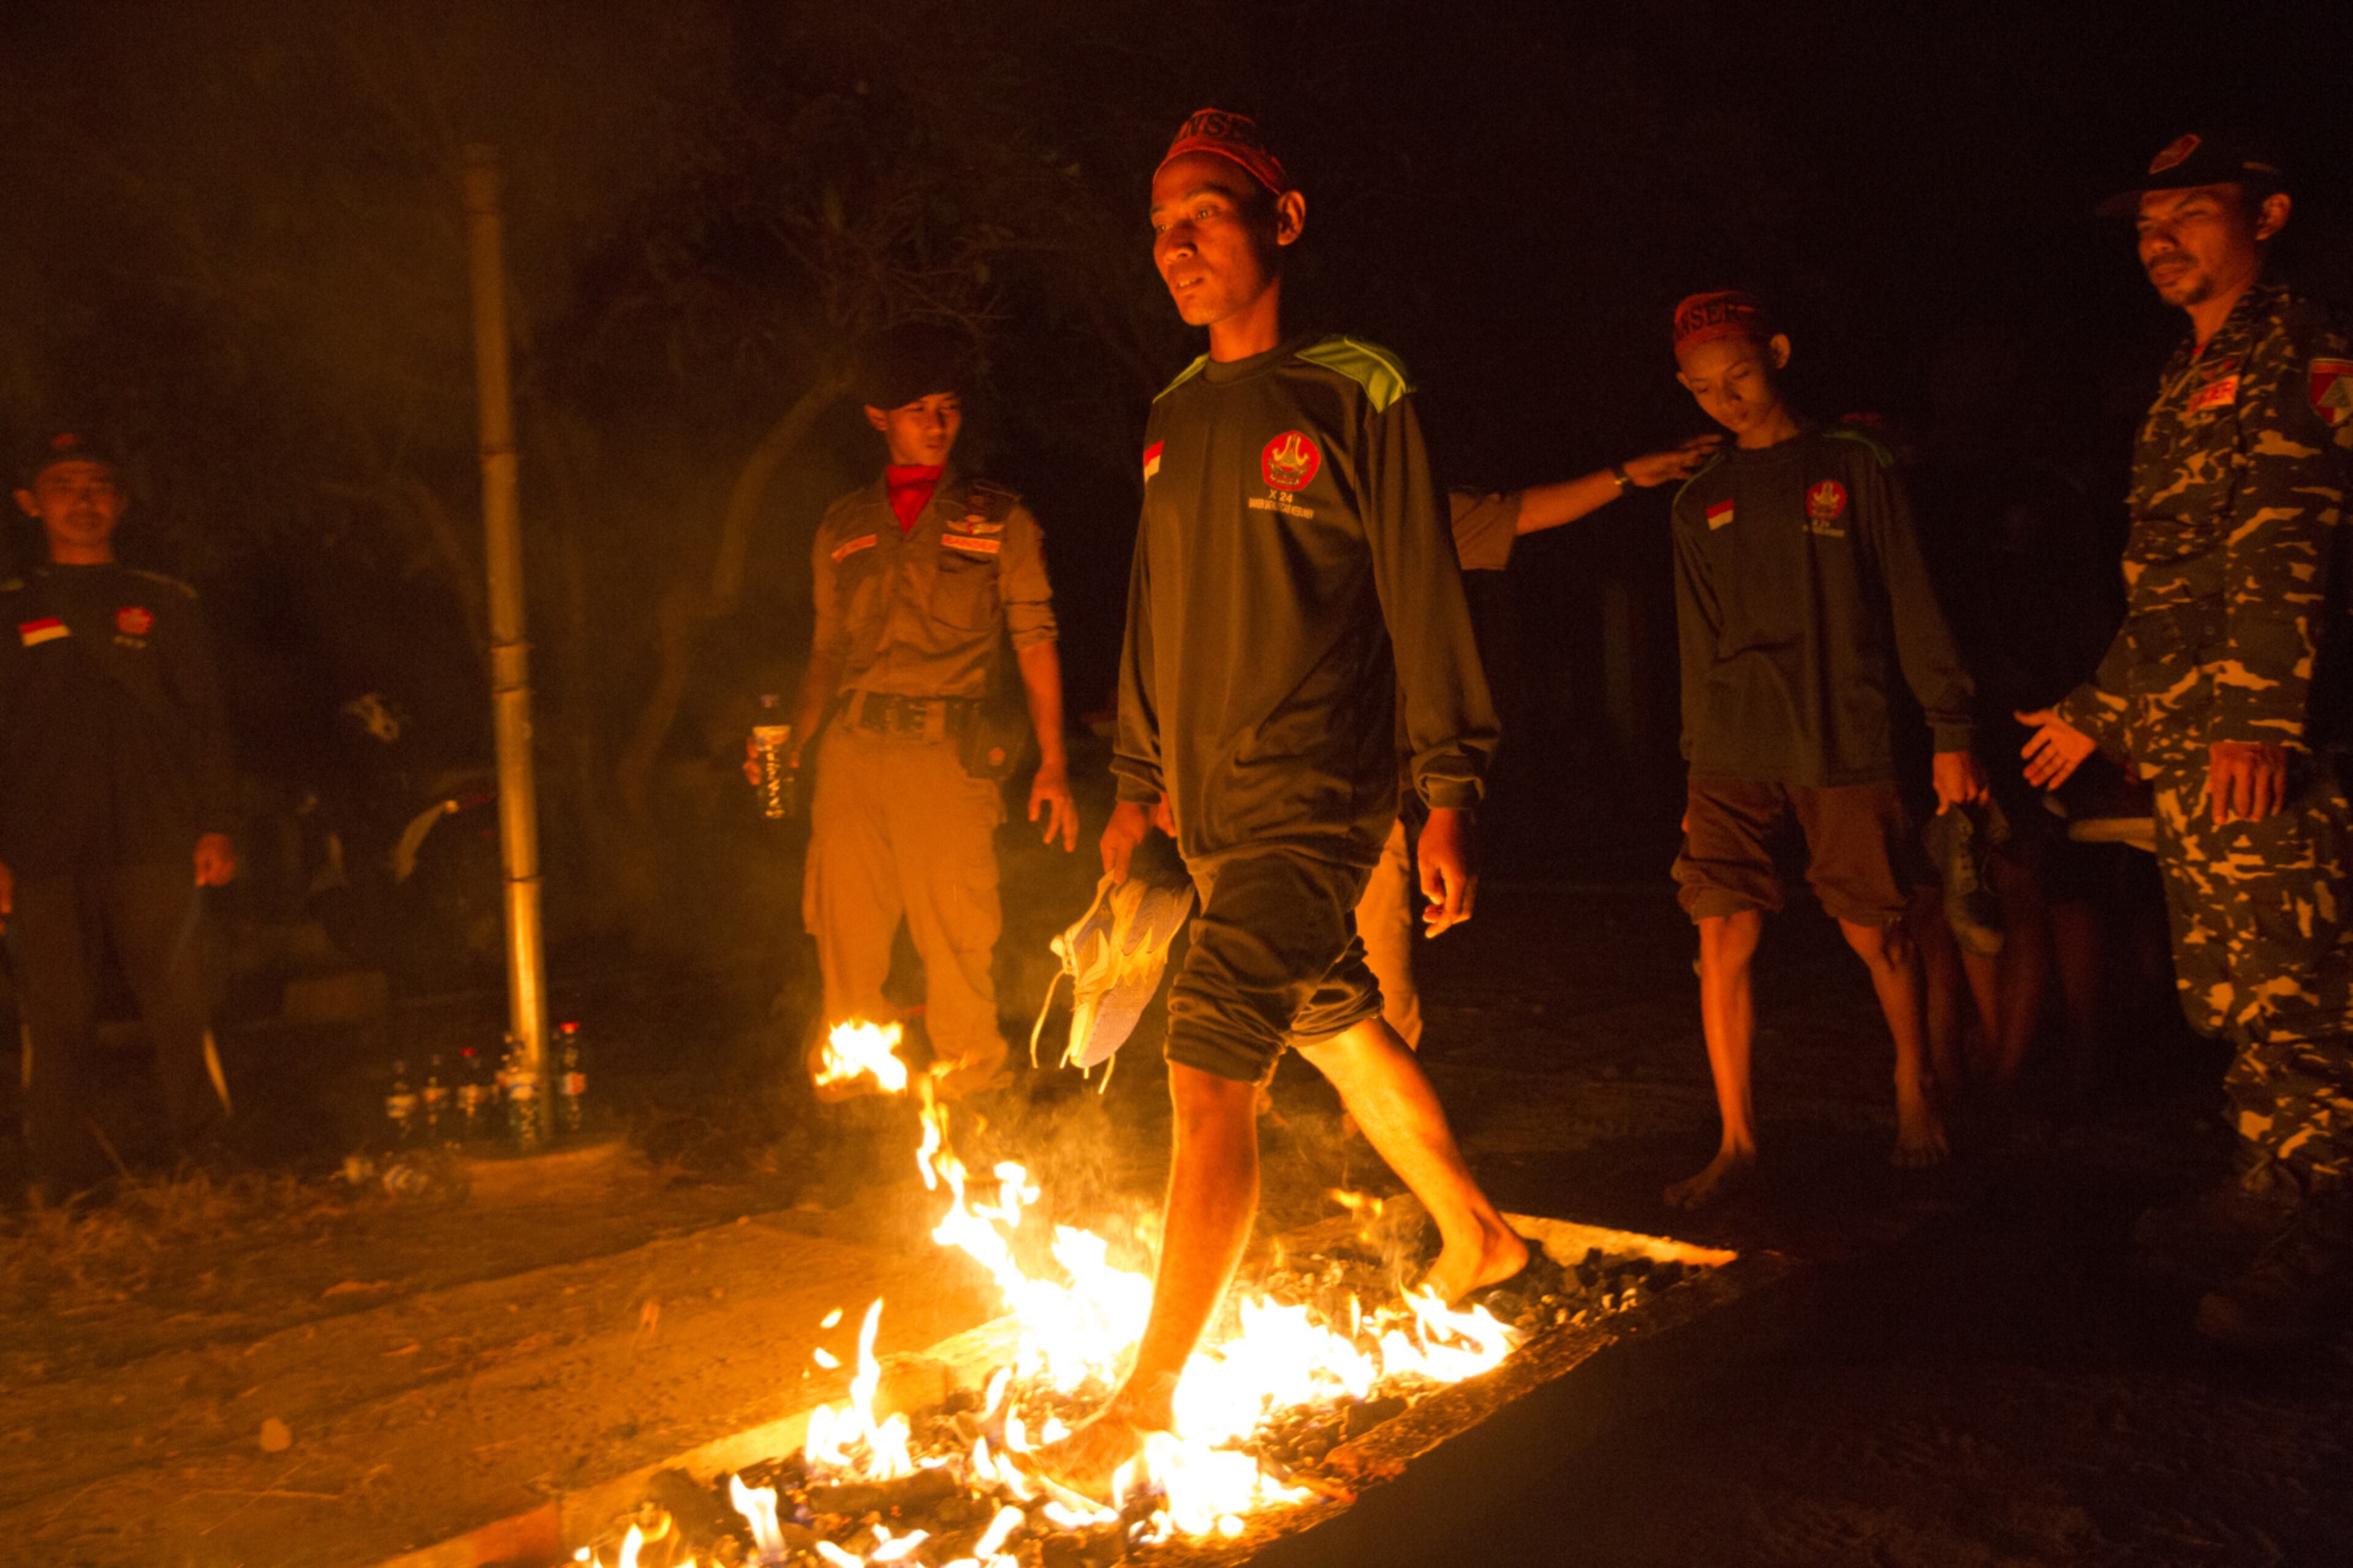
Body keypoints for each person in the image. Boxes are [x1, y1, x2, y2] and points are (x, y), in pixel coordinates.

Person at [1039, 109, 1525, 1489]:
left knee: (1209, 1072)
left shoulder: (1355, 386)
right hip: (1206, 803)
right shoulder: (1173, 413)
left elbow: (1425, 593)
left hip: (1315, 788)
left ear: (1282, 222)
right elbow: (1153, 611)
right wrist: (1137, 782)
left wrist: (1446, 785)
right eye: (1157, 228)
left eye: (1203, 214)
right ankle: (1479, 1232)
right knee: (1334, 1019)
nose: (1174, 246)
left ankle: (1142, 1407)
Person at [2017, 131, 2353, 1349]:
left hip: (2264, 736)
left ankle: (2328, 1225)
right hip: (2194, 739)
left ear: (2266, 214)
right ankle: (2272, 1179)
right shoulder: (2185, 368)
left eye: (2190, 215)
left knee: (2302, 982)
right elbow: (2176, 586)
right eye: (2147, 226)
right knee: (2234, 985)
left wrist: (2262, 717)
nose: (2160, 243)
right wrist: (2096, 709)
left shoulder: (2304, 346)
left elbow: (2288, 540)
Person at [1663, 291, 1990, 1209]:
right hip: (1731, 745)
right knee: (1723, 929)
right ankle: (1734, 1138)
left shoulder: (1854, 464)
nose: (1726, 399)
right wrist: (1695, 766)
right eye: (1702, 389)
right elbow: (1697, 641)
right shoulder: (1699, 499)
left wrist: (1950, 728)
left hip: (1843, 733)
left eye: (1740, 375)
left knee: (1873, 928)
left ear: (1777, 352)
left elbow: (1913, 597)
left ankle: (1914, 1088)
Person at [784, 326, 1077, 1100]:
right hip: (852, 750)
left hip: (945, 753)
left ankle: (971, 1079)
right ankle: (854, 1077)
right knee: (843, 921)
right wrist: (795, 741)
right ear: (879, 418)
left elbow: (1037, 641)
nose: (940, 424)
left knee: (956, 926)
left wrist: (1054, 764)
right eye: (919, 410)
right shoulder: (843, 525)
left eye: (948, 407)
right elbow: (826, 651)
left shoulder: (1000, 520)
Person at [1357, 443, 1720, 1050]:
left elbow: (1517, 513)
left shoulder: (1399, 514)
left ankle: (1366, 1129)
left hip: (1370, 793)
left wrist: (1629, 474)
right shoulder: (1251, 511)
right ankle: (1249, 1107)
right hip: (1264, 783)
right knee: (1253, 966)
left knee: (1383, 982)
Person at [0, 430, 238, 1197]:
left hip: (156, 841)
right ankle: (60, 1177)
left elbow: (207, 721)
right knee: (56, 1019)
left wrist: (215, 823)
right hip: (39, 852)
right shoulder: (11, 611)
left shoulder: (166, 604)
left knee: (180, 1008)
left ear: (120, 502)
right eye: (64, 483)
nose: (83, 498)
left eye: (98, 483)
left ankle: (208, 1162)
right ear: (31, 503)